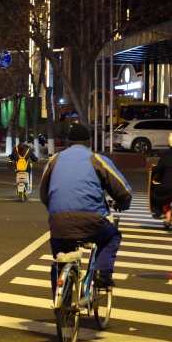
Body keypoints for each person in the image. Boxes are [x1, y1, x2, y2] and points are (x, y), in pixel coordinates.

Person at [40, 124, 132, 291]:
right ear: (89, 142)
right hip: (92, 220)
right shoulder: (97, 160)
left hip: (59, 221)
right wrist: (123, 204)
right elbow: (123, 191)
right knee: (112, 237)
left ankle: (60, 297)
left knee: (60, 252)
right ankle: (102, 273)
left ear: (68, 142)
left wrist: (56, 210)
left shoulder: (54, 160)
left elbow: (43, 194)